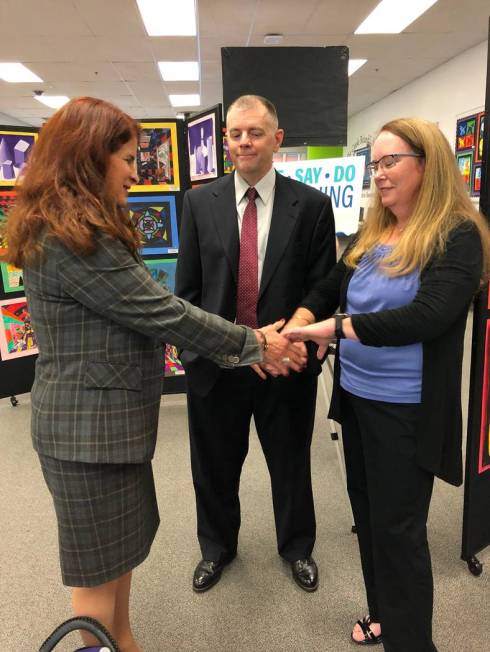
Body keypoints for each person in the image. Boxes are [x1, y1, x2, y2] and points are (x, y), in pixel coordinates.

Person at [4, 96, 302, 652]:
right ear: (88, 159)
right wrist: (255, 342)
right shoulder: (70, 239)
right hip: (85, 436)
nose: (133, 172)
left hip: (105, 431)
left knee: (116, 573)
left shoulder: (78, 226)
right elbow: (161, 311)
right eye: (124, 158)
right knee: (96, 589)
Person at [285, 117, 490, 651]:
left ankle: (412, 644)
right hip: (357, 401)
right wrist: (302, 316)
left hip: (406, 412)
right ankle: (382, 617)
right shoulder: (374, 230)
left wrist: (334, 328)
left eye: (391, 161)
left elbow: (426, 317)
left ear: (429, 164)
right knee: (370, 521)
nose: (379, 174)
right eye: (374, 163)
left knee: (400, 535)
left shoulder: (457, 235)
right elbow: (332, 282)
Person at [175, 95, 336, 593]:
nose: (244, 141)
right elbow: (189, 294)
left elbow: (323, 286)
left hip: (285, 366)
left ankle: (297, 548)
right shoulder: (200, 203)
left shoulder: (310, 206)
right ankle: (217, 549)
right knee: (214, 469)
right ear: (225, 141)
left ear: (277, 139)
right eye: (235, 134)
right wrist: (208, 351)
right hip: (218, 367)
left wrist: (289, 344)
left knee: (291, 466)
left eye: (255, 133)